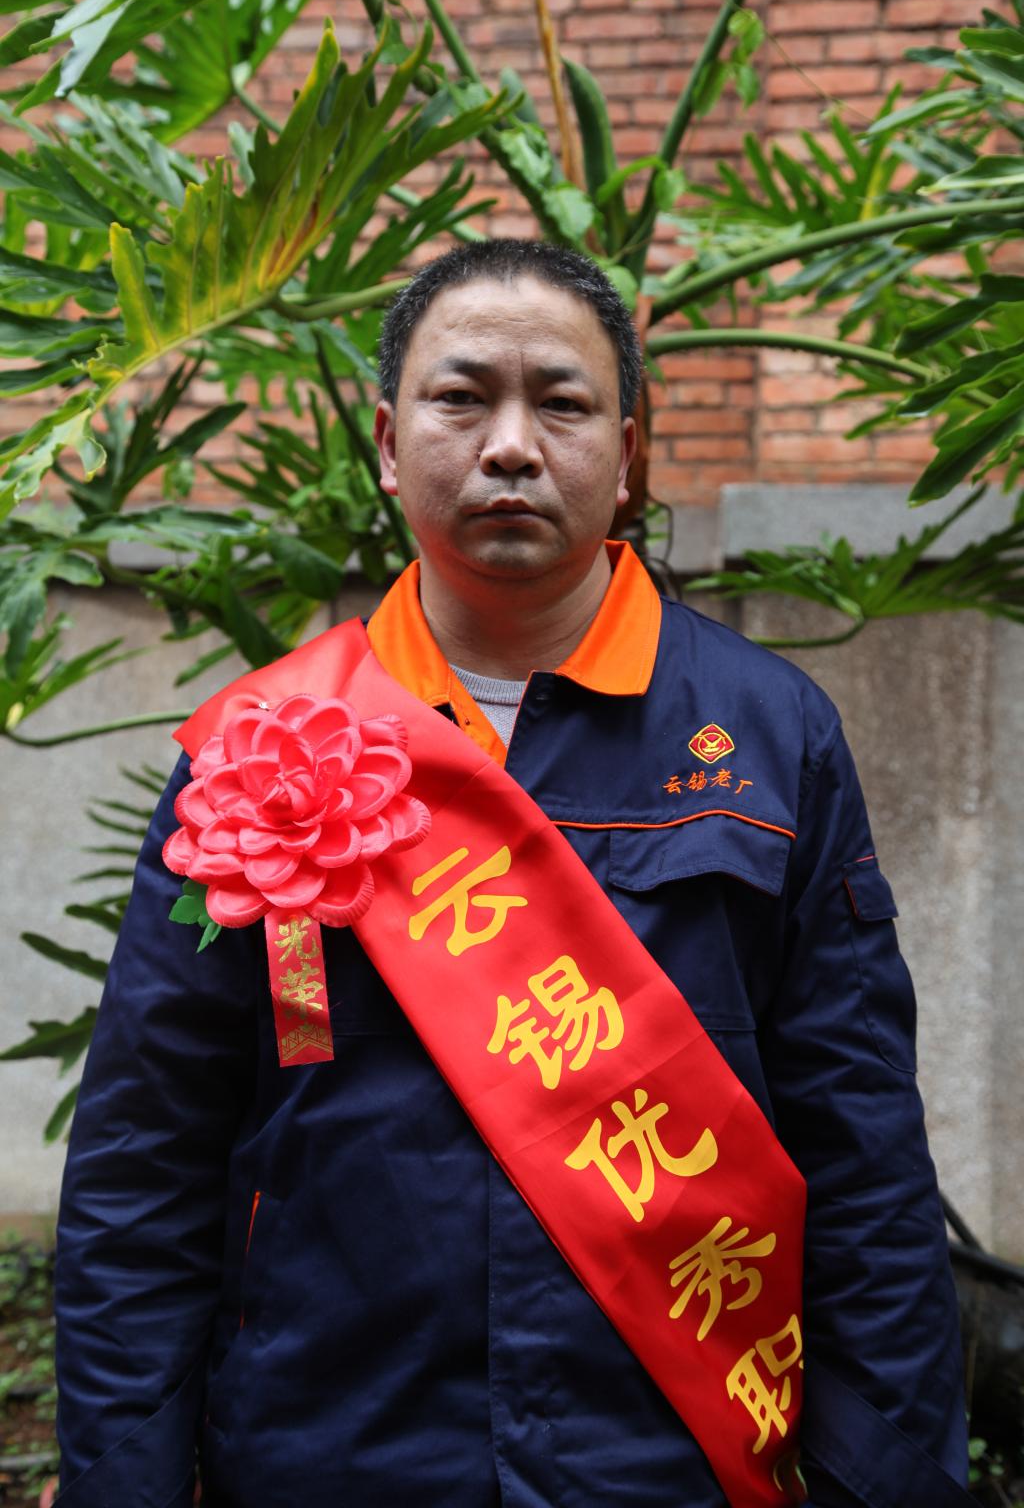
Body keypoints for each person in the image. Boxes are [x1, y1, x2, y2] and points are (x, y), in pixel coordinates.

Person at [53, 239, 970, 1508]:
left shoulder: (768, 732)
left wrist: (887, 1475)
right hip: (329, 1451)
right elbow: (145, 1159)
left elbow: (861, 1146)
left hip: (663, 1459)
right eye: (462, 397)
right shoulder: (257, 750)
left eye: (562, 403)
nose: (510, 446)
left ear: (627, 452)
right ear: (388, 443)